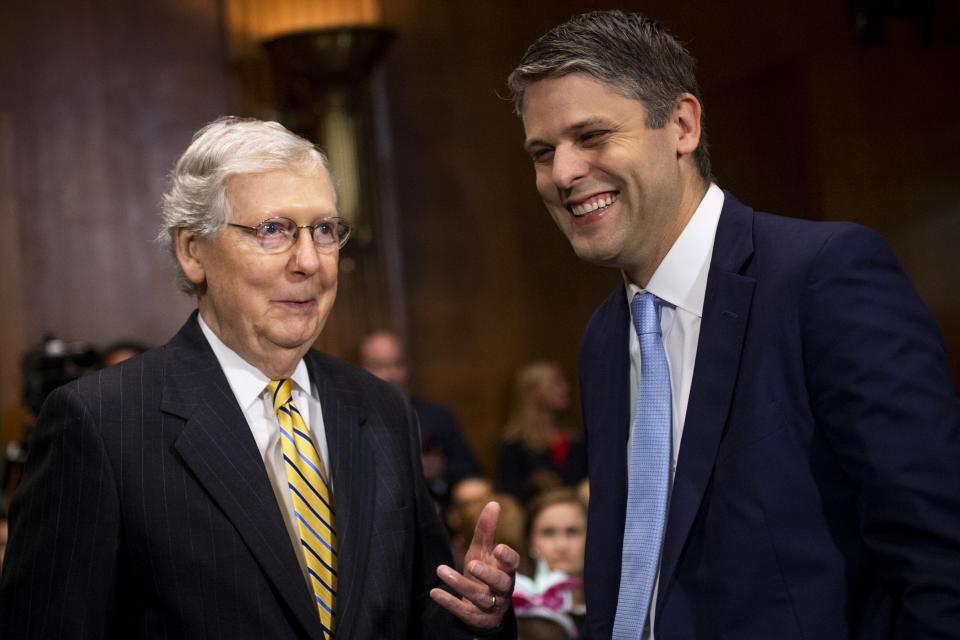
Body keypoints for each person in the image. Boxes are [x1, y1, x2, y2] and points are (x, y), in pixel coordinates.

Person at [508, 10, 960, 640]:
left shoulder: (823, 277)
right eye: (543, 151)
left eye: (592, 135)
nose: (562, 173)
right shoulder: (603, 338)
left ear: (683, 125)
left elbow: (939, 560)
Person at [0, 117, 518, 639]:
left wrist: (478, 617)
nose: (310, 261)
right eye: (272, 229)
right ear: (192, 250)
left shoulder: (380, 409)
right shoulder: (101, 422)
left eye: (324, 230)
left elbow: (415, 618)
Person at [359, 329, 480, 496]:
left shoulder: (436, 415)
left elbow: (471, 469)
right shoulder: (348, 418)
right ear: (360, 368)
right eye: (379, 366)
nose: (391, 373)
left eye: (398, 364)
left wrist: (440, 468)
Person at [498, 362, 586, 500]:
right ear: (533, 392)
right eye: (556, 383)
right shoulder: (515, 444)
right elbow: (509, 494)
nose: (566, 388)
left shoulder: (576, 438)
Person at [524, 488, 587, 633]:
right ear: (531, 543)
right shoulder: (516, 612)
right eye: (549, 532)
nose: (561, 545)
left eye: (572, 531)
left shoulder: (613, 613)